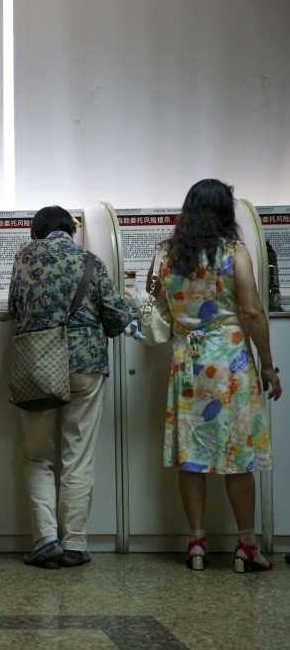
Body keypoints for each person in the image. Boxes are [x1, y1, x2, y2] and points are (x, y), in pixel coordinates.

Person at [147, 179, 281, 572]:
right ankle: (246, 547)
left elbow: (160, 310)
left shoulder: (167, 255)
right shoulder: (233, 252)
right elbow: (254, 311)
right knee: (237, 453)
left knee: (192, 454)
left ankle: (197, 543)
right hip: (229, 363)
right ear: (225, 212)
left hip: (186, 363)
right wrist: (268, 364)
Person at [8, 206, 131, 568]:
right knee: (78, 455)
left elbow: (15, 306)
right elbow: (118, 318)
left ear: (37, 232)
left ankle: (46, 539)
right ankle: (75, 543)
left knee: (37, 456)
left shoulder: (26, 256)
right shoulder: (91, 260)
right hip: (86, 364)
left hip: (39, 364)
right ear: (71, 231)